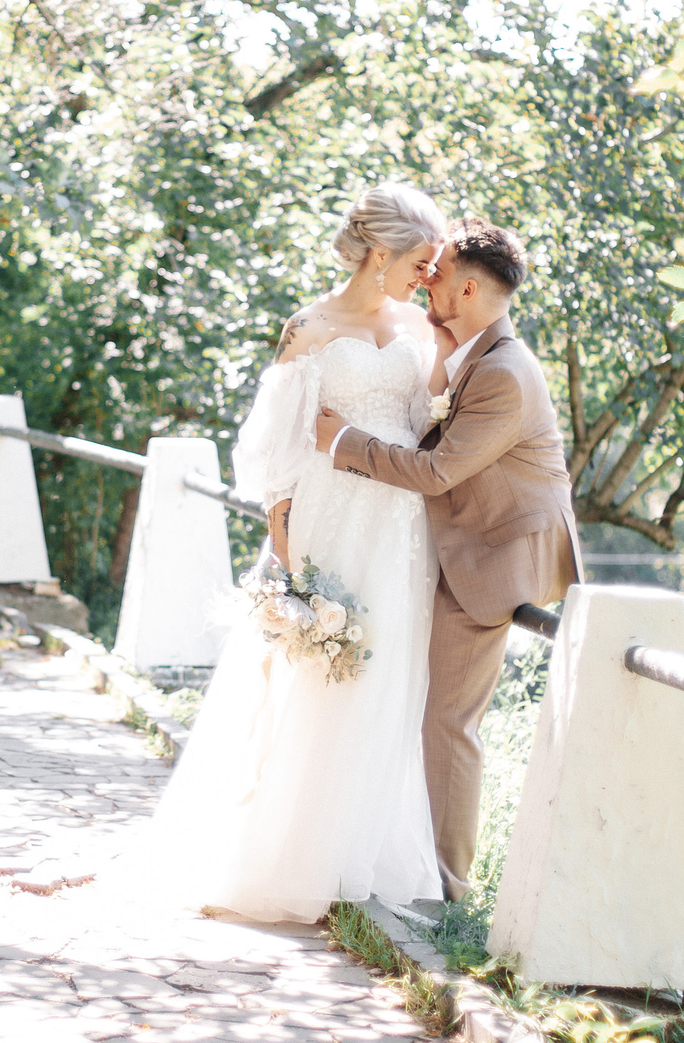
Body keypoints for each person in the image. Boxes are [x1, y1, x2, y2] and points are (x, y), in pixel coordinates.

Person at [129, 184, 450, 922]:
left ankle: (357, 851)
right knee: (319, 680)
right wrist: (290, 563)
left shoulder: (418, 326)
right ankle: (292, 853)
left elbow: (425, 422)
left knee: (388, 675)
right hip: (330, 520)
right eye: (420, 261)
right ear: (380, 253)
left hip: (401, 529)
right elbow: (275, 453)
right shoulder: (307, 328)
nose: (427, 276)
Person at [314, 220, 581, 900]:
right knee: (407, 695)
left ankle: (449, 887)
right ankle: (401, 855)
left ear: (466, 287)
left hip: (495, 557)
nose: (424, 277)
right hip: (459, 538)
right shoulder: (474, 350)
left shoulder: (505, 374)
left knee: (447, 721)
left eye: (437, 273)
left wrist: (341, 441)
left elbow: (436, 472)